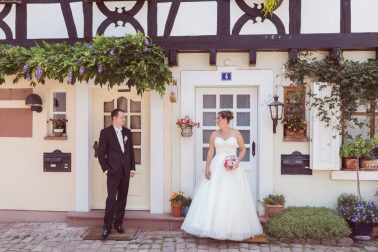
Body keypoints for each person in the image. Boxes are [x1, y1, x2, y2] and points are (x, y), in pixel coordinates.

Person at [181, 110, 263, 241]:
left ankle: (234, 229)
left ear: (226, 119)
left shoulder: (236, 133)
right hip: (217, 166)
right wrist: (207, 167)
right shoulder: (214, 134)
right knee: (214, 195)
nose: (216, 121)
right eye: (216, 119)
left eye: (218, 118)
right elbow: (210, 152)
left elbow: (243, 150)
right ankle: (210, 228)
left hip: (232, 168)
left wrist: (236, 160)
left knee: (232, 196)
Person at [98, 108, 136, 239]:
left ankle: (118, 224)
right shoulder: (105, 133)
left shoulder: (127, 132)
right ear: (114, 118)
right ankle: (106, 226)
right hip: (113, 172)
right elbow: (100, 154)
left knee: (122, 199)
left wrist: (132, 168)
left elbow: (130, 151)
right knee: (111, 199)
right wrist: (106, 169)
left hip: (126, 171)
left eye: (124, 117)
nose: (124, 119)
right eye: (122, 117)